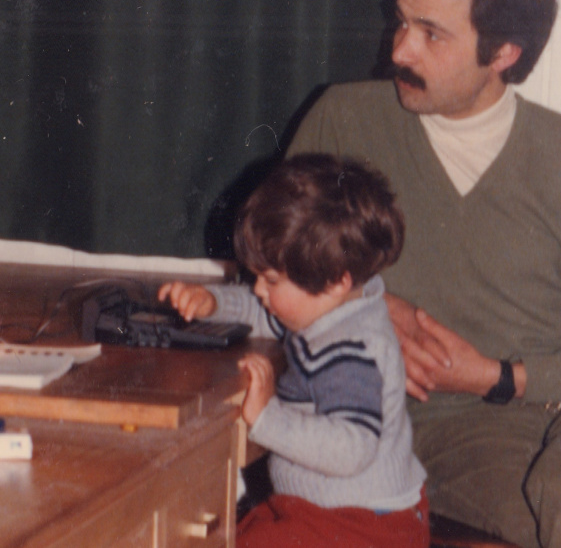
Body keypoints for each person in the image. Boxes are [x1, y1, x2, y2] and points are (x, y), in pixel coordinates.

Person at [284, 0, 561, 548]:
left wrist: (500, 376)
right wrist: (369, 301)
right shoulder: (344, 121)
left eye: (432, 34)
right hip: (452, 427)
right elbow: (270, 268)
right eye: (402, 22)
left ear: (503, 53)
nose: (401, 51)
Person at [159, 153, 430, 548]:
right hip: (330, 509)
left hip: (366, 523)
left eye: (271, 280)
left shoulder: (352, 347)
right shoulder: (326, 307)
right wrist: (212, 303)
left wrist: (268, 417)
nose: (259, 290)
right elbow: (263, 311)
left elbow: (352, 449)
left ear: (335, 281)